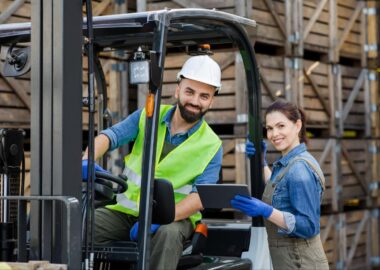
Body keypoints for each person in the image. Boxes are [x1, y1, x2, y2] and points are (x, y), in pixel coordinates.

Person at [82, 55, 223, 269]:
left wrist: (158, 219)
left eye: (204, 96)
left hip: (175, 218)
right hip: (127, 212)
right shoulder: (148, 116)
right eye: (189, 92)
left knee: (168, 234)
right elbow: (110, 136)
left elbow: (199, 197)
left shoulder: (212, 145)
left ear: (212, 100)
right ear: (177, 90)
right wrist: (87, 159)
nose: (195, 101)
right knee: (77, 223)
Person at [232, 99, 329, 269]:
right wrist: (261, 162)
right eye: (269, 128)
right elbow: (281, 190)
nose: (274, 134)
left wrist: (266, 211)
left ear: (297, 126)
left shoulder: (299, 169)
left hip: (301, 263)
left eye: (281, 126)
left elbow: (308, 226)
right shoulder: (289, 163)